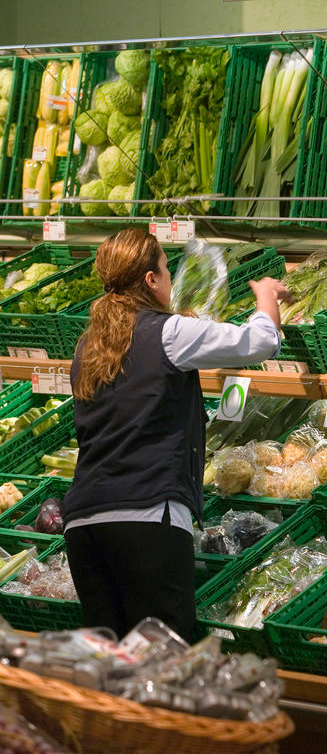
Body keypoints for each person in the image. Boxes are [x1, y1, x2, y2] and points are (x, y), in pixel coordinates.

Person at [63, 227, 289, 642]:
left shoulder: (88, 345)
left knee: (109, 667)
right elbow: (258, 342)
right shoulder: (168, 332)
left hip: (83, 524)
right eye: (166, 271)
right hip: (146, 518)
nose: (169, 279)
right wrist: (266, 298)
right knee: (163, 662)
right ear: (150, 280)